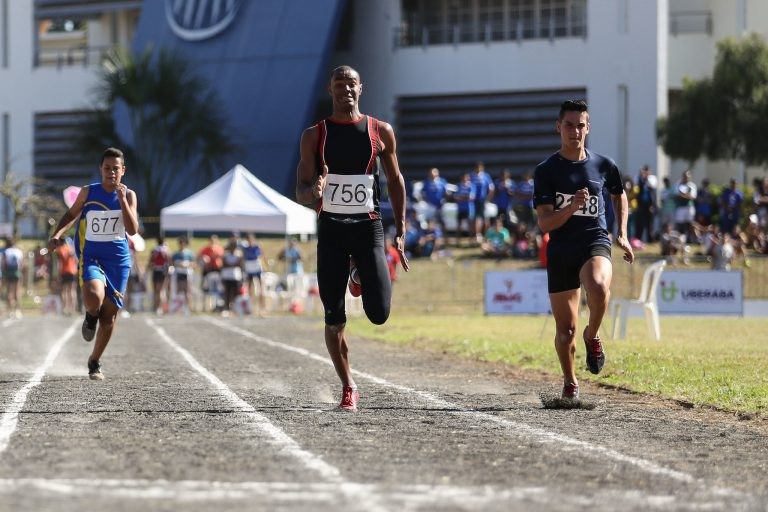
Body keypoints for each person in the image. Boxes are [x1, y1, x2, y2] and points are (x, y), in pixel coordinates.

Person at [295, 65, 409, 411]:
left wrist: (401, 230)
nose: (346, 89)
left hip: (368, 228)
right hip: (331, 231)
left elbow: (395, 181)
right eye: (339, 84)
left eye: (352, 84)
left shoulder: (380, 131)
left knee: (379, 314)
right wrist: (312, 191)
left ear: (362, 88)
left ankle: (358, 272)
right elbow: (300, 192)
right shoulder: (315, 135)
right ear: (330, 89)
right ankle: (348, 385)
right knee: (333, 316)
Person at [533, 100, 634, 402]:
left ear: (588, 128)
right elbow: (545, 223)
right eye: (569, 125)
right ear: (558, 127)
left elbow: (619, 195)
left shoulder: (604, 165)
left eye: (580, 125)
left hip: (594, 241)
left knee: (599, 286)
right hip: (562, 249)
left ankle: (593, 335)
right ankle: (570, 382)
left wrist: (623, 233)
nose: (575, 131)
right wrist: (572, 207)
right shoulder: (546, 171)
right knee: (565, 331)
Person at [48, 147, 139, 380]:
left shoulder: (128, 195)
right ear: (101, 169)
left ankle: (94, 360)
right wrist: (57, 234)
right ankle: (90, 315)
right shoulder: (88, 192)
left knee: (109, 318)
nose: (111, 173)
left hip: (118, 262)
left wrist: (122, 201)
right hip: (92, 257)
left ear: (123, 171)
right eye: (107, 168)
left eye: (115, 169)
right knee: (93, 298)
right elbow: (70, 215)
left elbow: (132, 229)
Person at [147, 236, 171, 315]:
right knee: (161, 290)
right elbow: (169, 262)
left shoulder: (154, 250)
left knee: (156, 291)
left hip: (155, 271)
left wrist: (148, 270)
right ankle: (160, 308)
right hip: (163, 272)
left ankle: (156, 307)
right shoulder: (166, 250)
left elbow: (150, 261)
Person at [243, 233, 266, 315]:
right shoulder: (245, 248)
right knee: (250, 289)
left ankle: (262, 309)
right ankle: (251, 308)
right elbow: (243, 258)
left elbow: (262, 257)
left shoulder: (257, 247)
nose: (250, 241)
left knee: (261, 289)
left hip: (257, 268)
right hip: (249, 269)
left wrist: (264, 266)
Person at [171, 236, 195, 313]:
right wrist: (178, 264)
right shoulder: (175, 254)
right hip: (178, 274)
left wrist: (187, 264)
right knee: (178, 291)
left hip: (187, 274)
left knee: (187, 291)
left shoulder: (189, 254)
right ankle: (178, 308)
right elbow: (172, 264)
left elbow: (194, 264)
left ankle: (187, 308)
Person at [633, 165, 657, 243]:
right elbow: (636, 184)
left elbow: (652, 185)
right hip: (641, 204)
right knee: (639, 223)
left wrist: (646, 177)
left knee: (649, 224)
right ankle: (638, 240)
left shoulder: (652, 178)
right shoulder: (638, 177)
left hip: (649, 205)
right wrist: (641, 176)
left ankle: (650, 240)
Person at [55, 237, 78, 316]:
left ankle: (65, 308)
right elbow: (76, 260)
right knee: (72, 290)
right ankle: (72, 308)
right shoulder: (71, 249)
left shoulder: (59, 250)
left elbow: (59, 263)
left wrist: (58, 274)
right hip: (72, 271)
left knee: (64, 290)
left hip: (64, 271)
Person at [2, 237, 24, 318]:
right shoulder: (18, 251)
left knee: (9, 292)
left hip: (8, 273)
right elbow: (21, 263)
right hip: (17, 272)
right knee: (17, 291)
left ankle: (10, 311)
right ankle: (18, 310)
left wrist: (4, 274)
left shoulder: (6, 251)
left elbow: (4, 264)